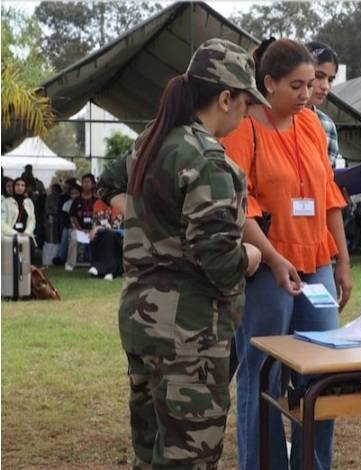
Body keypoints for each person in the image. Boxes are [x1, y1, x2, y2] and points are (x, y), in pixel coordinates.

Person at [96, 38, 264, 469]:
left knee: (150, 453)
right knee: (189, 456)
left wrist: (147, 219)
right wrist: (250, 256)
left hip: (141, 322)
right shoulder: (208, 159)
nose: (247, 114)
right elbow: (222, 265)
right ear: (225, 98)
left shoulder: (151, 140)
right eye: (245, 103)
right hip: (189, 336)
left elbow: (107, 182)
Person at [221, 38, 351, 470]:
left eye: (310, 84)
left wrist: (342, 262)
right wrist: (274, 258)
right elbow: (239, 205)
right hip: (266, 270)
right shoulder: (243, 127)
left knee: (323, 372)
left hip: (317, 264)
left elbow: (328, 194)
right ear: (268, 82)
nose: (305, 94)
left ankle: (313, 464)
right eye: (296, 85)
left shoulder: (312, 123)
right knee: (262, 375)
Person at [306, 41, 340, 167]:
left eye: (330, 80)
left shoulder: (327, 126)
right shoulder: (275, 118)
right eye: (319, 76)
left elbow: (329, 177)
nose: (325, 86)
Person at [65, 173, 97, 271]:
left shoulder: (97, 200)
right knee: (73, 235)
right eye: (84, 182)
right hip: (80, 230)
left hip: (93, 230)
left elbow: (99, 217)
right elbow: (73, 217)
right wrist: (80, 229)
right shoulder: (77, 200)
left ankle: (97, 264)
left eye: (88, 182)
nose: (86, 184)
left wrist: (93, 230)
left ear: (93, 184)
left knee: (102, 236)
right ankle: (70, 263)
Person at [87, 198, 124, 280]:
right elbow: (96, 223)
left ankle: (98, 268)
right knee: (102, 236)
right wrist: (98, 228)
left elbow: (128, 228)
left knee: (109, 235)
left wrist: (112, 230)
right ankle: (109, 272)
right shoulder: (98, 203)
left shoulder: (124, 203)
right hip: (104, 235)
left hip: (122, 236)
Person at [2, 178, 36, 245]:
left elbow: (32, 220)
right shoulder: (6, 202)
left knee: (26, 255)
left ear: (25, 188)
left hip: (26, 237)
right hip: (10, 237)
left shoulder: (29, 202)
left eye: (22, 185)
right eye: (17, 185)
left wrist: (27, 232)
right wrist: (16, 233)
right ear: (13, 187)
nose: (20, 187)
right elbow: (1, 222)